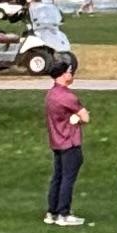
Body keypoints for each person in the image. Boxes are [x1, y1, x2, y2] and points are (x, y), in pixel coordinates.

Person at [43, 65, 89, 224]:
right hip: (70, 142)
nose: (72, 74)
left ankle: (52, 212)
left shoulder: (50, 95)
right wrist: (77, 118)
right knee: (68, 179)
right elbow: (85, 117)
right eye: (69, 72)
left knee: (57, 177)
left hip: (57, 142)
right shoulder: (68, 97)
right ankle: (64, 213)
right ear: (62, 75)